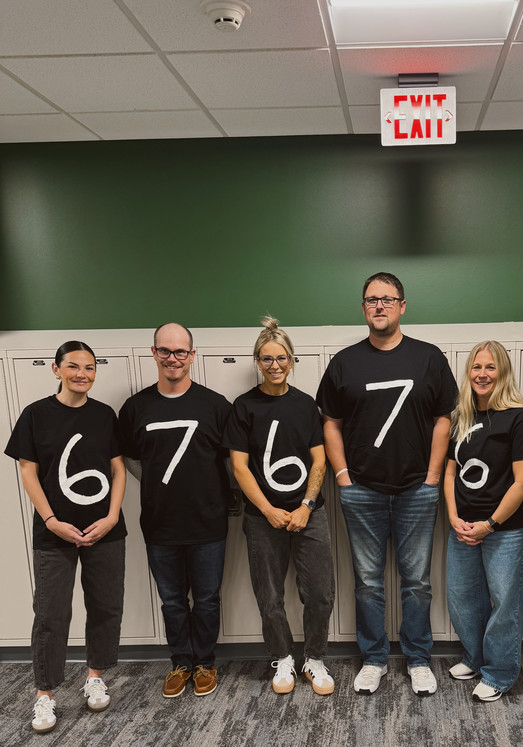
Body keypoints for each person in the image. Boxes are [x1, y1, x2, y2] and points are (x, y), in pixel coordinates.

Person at [317, 272, 457, 696]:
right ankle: (374, 658)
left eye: (388, 299)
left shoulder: (429, 358)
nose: (380, 306)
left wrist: (433, 476)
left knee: (417, 582)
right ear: (363, 308)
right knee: (368, 582)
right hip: (362, 491)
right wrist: (342, 476)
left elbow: (443, 419)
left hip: (417, 489)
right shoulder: (344, 362)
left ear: (402, 306)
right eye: (372, 300)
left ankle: (417, 659)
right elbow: (330, 423)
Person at [5, 341, 127, 733]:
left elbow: (118, 469)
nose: (82, 374)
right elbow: (27, 470)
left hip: (104, 529)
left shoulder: (105, 415)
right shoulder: (36, 415)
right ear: (56, 369)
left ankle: (94, 675)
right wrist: (52, 519)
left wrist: (111, 516)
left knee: (106, 606)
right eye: (73, 366)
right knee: (51, 613)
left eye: (89, 367)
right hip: (55, 531)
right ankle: (45, 695)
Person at [118, 323, 231, 699]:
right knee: (171, 601)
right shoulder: (135, 407)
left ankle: (206, 663)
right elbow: (130, 458)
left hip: (208, 524)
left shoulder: (215, 406)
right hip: (160, 524)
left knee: (208, 599)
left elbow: (232, 461)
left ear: (192, 356)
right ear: (153, 353)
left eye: (180, 351)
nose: (173, 358)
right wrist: (153, 481)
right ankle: (181, 662)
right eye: (165, 351)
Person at [225, 317, 335, 695]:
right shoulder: (243, 407)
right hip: (262, 517)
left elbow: (319, 461)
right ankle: (283, 658)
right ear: (257, 360)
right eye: (267, 359)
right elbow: (239, 466)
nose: (275, 365)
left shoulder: (305, 406)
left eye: (282, 358)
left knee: (320, 592)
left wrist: (306, 505)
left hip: (310, 514)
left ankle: (315, 658)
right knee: (269, 595)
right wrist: (268, 509)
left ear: (292, 360)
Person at [444, 342, 523, 702]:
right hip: (463, 527)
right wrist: (453, 516)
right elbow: (450, 471)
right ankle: (475, 658)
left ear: (503, 373)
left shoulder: (519, 416)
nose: (482, 374)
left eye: (491, 368)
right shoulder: (462, 416)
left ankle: (499, 673)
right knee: (463, 598)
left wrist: (491, 524)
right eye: (476, 367)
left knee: (504, 603)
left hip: (505, 531)